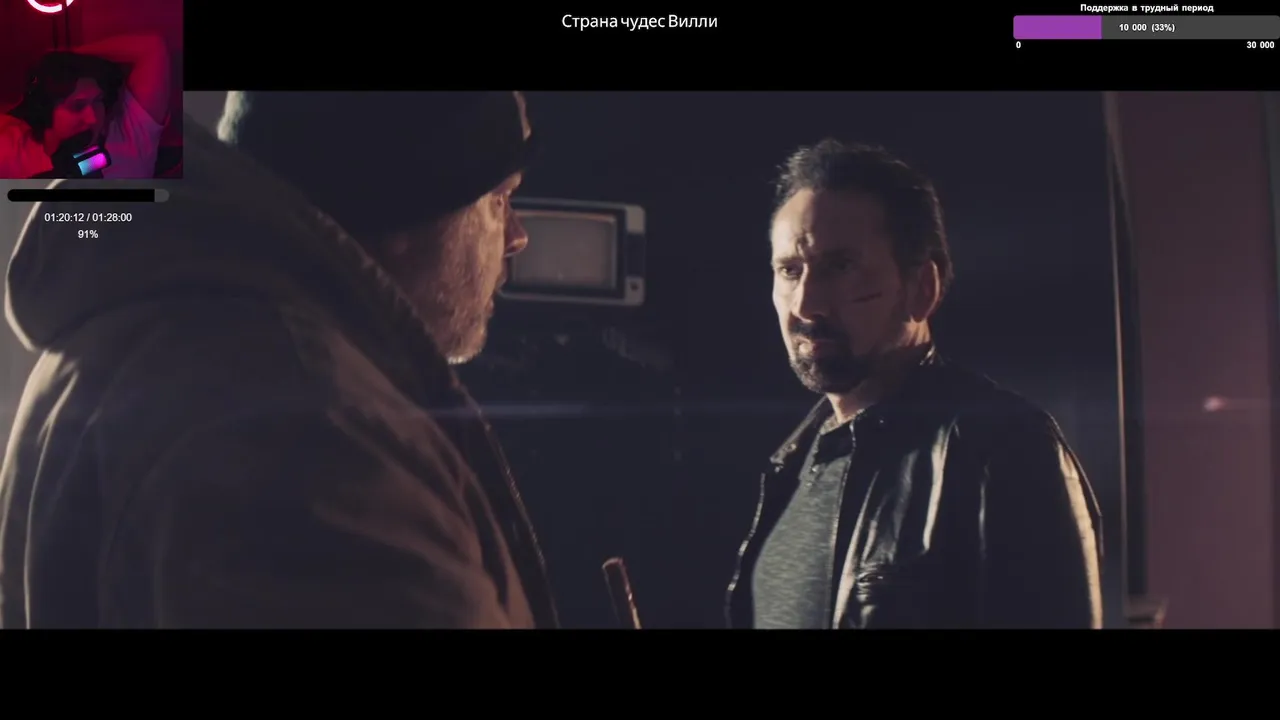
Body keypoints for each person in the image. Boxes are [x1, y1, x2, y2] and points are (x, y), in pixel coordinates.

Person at [0, 91, 558, 628]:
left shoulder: (149, 333)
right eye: (498, 200)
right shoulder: (310, 430)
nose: (516, 236)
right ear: (409, 207)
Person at [727, 140, 1103, 629]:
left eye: (840, 267)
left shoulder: (1004, 448)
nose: (805, 304)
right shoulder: (794, 461)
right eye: (789, 271)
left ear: (922, 288)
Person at [0, 34, 170, 179]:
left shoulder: (130, 135)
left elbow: (152, 46)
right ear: (45, 110)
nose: (93, 118)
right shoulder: (12, 152)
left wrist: (69, 56)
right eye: (78, 106)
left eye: (98, 101)